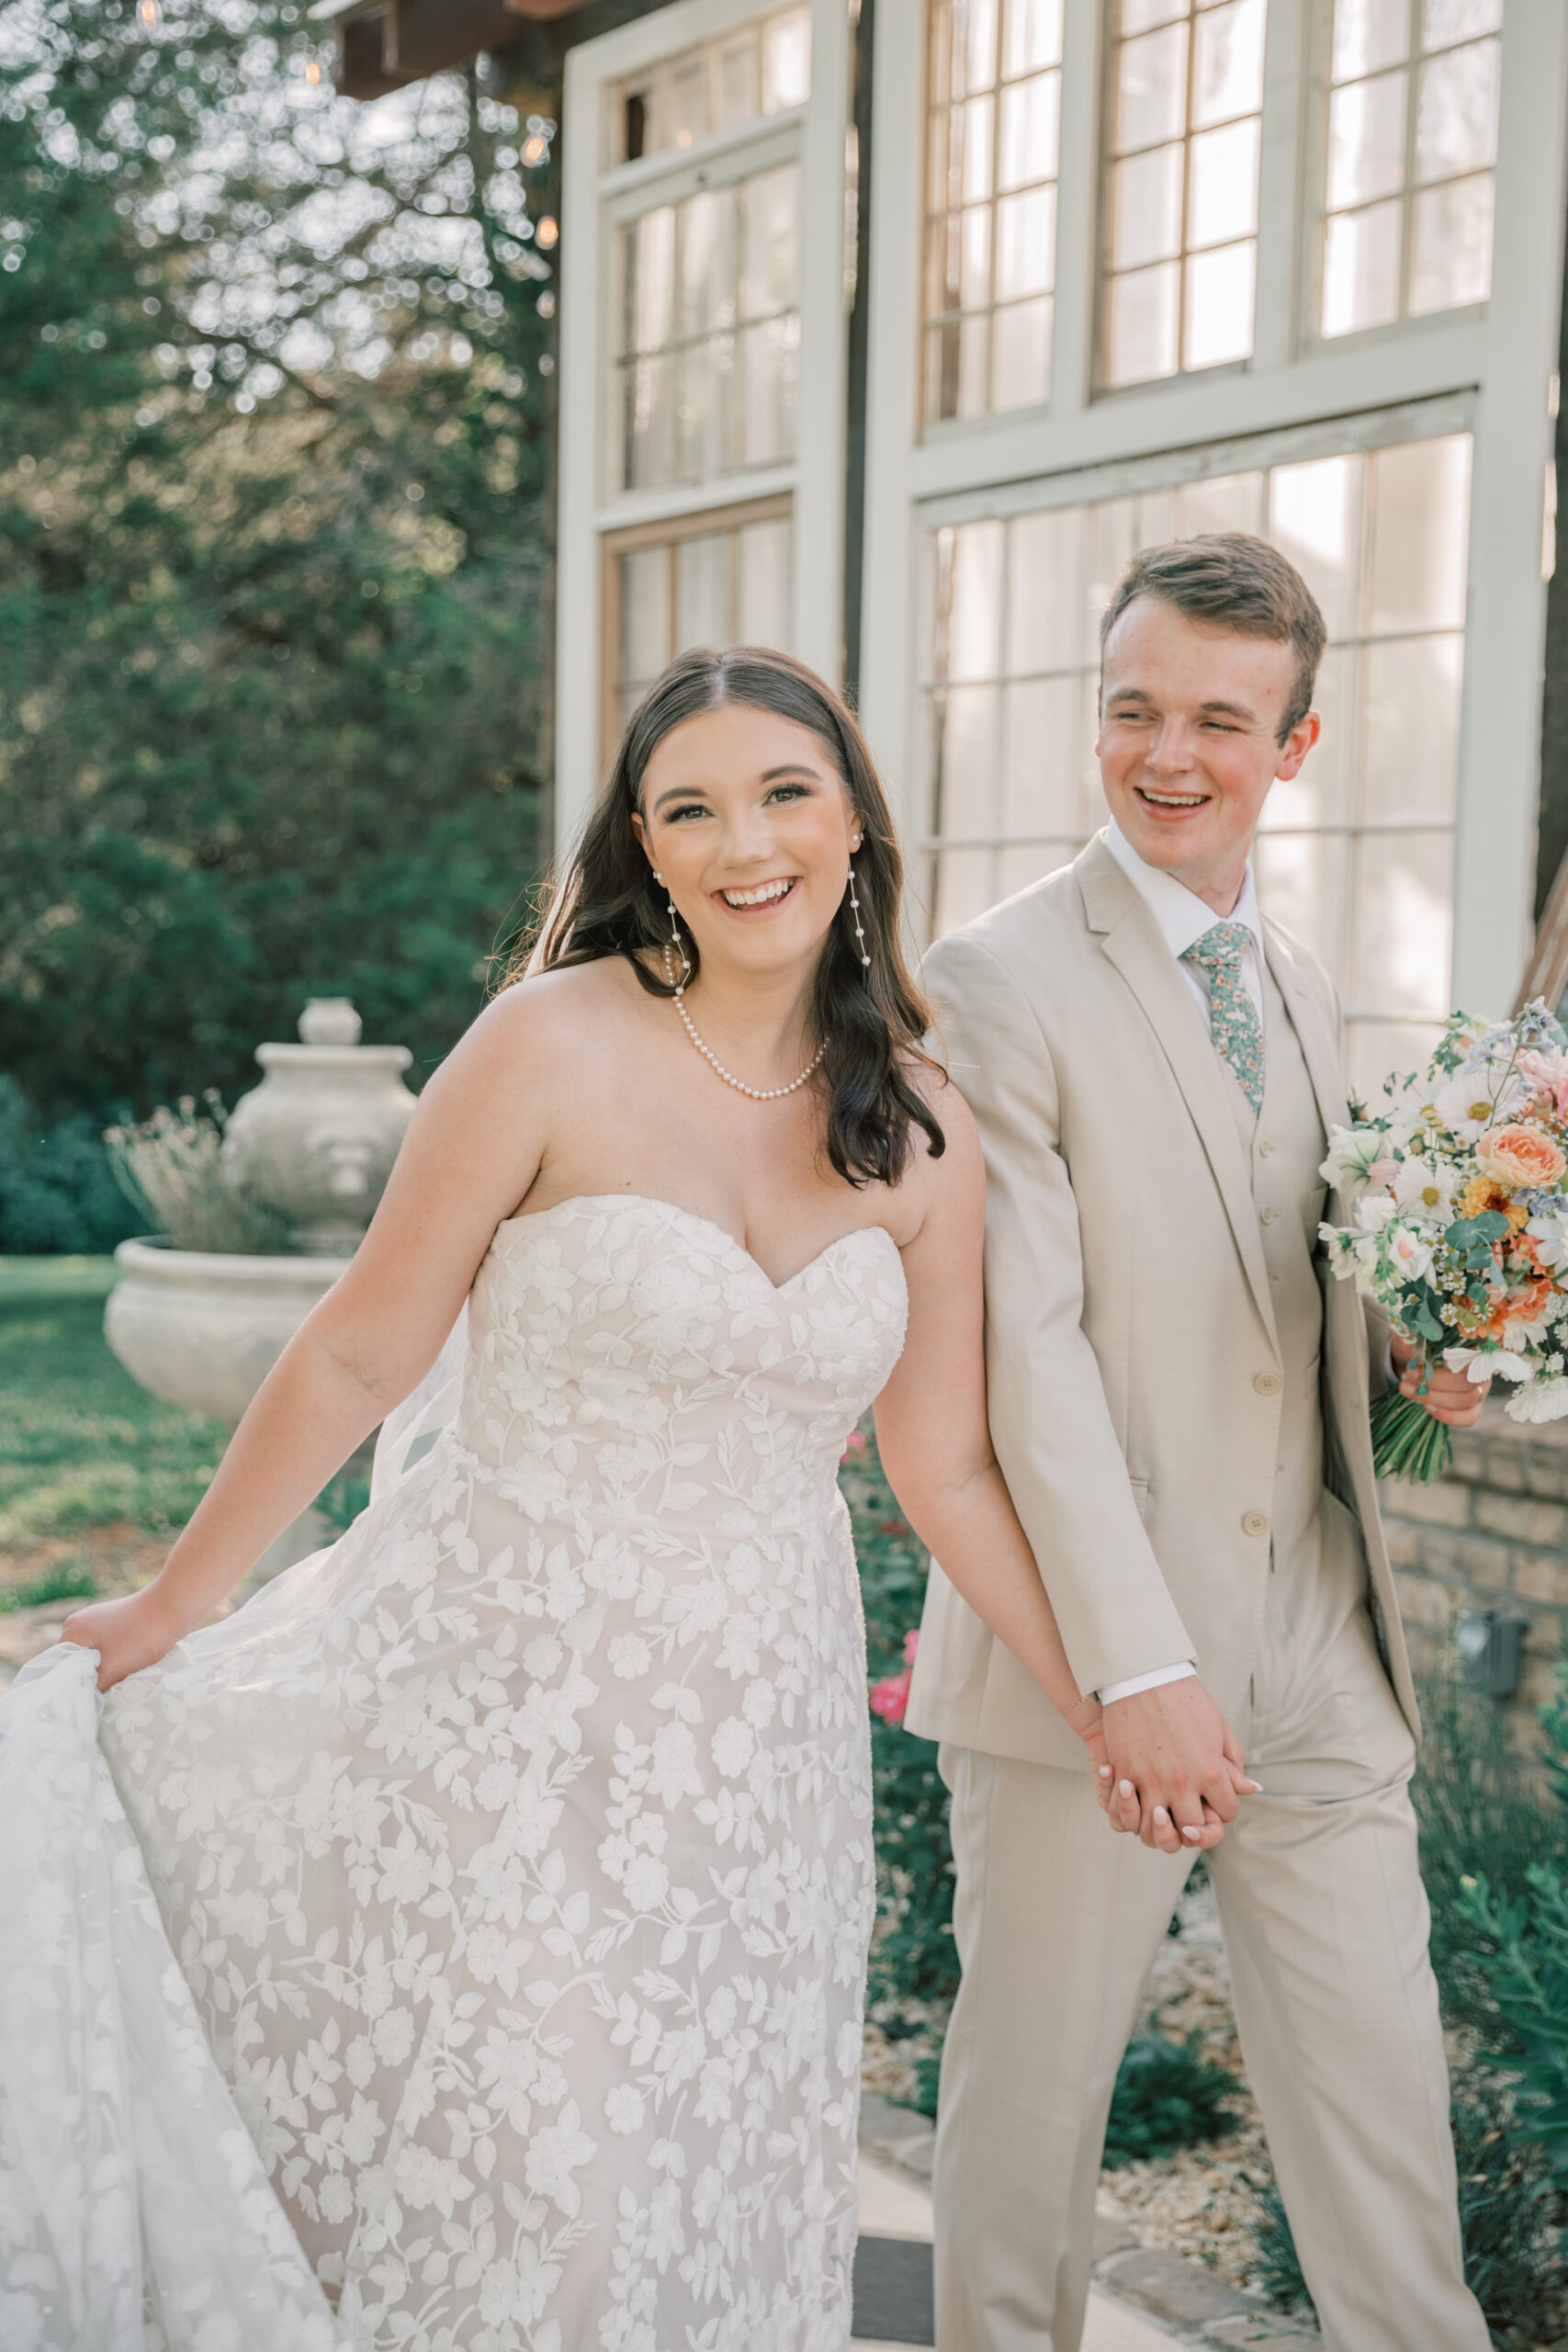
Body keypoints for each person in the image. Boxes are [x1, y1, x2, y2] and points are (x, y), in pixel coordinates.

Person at [0, 648, 1203, 2352]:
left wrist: (1104, 1704)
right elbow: (357, 1357)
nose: (745, 843)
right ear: (643, 848)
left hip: (757, 1753)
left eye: (785, 792)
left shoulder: (923, 1122)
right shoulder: (544, 1047)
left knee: (686, 2168)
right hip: (500, 1696)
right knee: (539, 2172)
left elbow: (944, 1470)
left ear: (856, 819)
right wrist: (175, 1604)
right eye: (689, 810)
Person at [906, 534, 1493, 2352]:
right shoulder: (987, 981)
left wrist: (1427, 1354)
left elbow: (1282, 1298)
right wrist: (1131, 1662)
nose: (1168, 753)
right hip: (1092, 1650)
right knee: (1029, 2109)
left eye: (1217, 721)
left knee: (1380, 2110)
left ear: (1291, 746)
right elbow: (1030, 1357)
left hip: (1317, 1627)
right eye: (1133, 709)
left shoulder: (1302, 981)